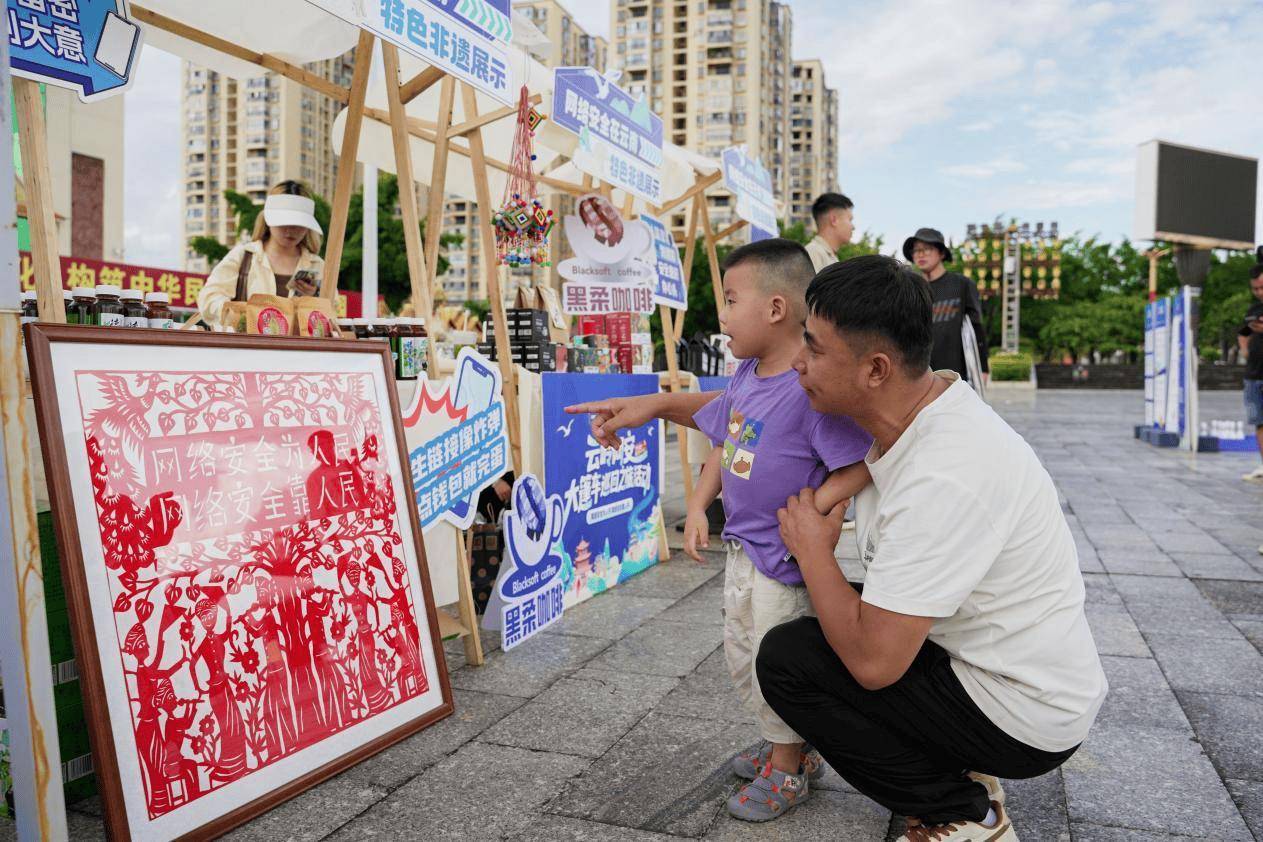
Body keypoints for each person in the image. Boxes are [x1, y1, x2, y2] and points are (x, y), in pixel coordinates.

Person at [567, 256, 1108, 842]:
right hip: (980, 658)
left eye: (815, 348)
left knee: (789, 661)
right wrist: (652, 407)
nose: (798, 362)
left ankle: (960, 811)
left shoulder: (945, 474)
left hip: (1022, 712)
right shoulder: (915, 411)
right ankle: (948, 759)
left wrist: (812, 549)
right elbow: (746, 416)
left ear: (875, 369)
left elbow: (875, 666)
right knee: (810, 633)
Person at [681, 239, 873, 822]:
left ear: (775, 309)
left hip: (785, 560)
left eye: (730, 300)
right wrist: (698, 505)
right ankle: (785, 744)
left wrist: (821, 506)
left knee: (774, 659)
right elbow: (724, 442)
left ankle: (788, 767)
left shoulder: (808, 388)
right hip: (743, 549)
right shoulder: (743, 375)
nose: (721, 315)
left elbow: (860, 462)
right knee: (742, 652)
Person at [197, 180, 324, 328]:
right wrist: (237, 313)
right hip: (247, 343)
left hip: (299, 344)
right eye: (283, 221)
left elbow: (331, 315)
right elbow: (208, 299)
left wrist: (314, 297)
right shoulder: (243, 256)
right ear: (268, 220)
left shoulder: (318, 265)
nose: (291, 230)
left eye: (299, 223)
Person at [903, 227, 989, 384]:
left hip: (956, 375)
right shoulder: (910, 289)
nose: (920, 254)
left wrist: (983, 368)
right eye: (916, 250)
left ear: (941, 253)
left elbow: (975, 327)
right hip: (919, 376)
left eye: (926, 249)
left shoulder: (961, 285)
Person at [1239, 263, 1263, 483]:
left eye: (1262, 287)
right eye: (1255, 288)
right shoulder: (1253, 311)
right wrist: (1245, 349)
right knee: (1259, 422)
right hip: (1254, 374)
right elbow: (1243, 333)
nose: (1259, 292)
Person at [805, 192, 855, 274]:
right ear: (834, 220)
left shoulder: (830, 257)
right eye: (850, 220)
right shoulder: (813, 253)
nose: (853, 227)